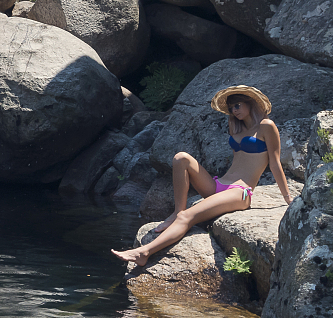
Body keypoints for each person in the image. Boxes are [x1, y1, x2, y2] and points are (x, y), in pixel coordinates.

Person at [113, 86, 290, 271]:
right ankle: (176, 212)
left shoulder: (266, 126)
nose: (234, 111)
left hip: (240, 192)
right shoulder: (234, 126)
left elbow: (275, 164)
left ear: (250, 103)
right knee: (181, 158)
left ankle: (144, 253)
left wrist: (287, 198)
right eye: (231, 108)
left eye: (237, 105)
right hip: (219, 185)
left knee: (188, 216)